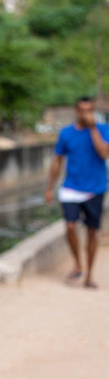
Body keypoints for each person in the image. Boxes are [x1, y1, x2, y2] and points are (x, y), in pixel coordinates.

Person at [45, 97, 109, 289]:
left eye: (89, 110)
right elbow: (57, 161)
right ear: (76, 110)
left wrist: (93, 129)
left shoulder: (103, 130)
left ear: (93, 110)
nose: (85, 113)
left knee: (92, 232)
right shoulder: (66, 133)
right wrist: (49, 187)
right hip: (71, 188)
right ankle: (78, 264)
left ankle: (89, 275)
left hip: (95, 189)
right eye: (82, 110)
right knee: (70, 226)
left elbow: (104, 154)